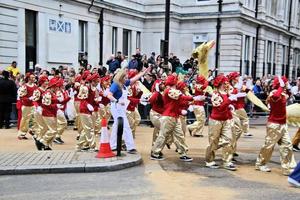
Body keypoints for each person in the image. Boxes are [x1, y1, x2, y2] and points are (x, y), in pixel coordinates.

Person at [255, 76, 297, 175]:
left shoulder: (283, 93)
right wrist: (281, 87)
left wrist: (286, 88)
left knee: (287, 145)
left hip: (283, 123)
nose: (287, 85)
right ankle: (260, 163)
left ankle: (288, 167)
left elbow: (289, 94)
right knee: (269, 145)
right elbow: (274, 98)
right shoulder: (274, 93)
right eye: (285, 83)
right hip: (274, 124)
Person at [150, 75, 195, 161]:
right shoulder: (169, 90)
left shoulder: (172, 91)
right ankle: (155, 153)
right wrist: (193, 97)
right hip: (168, 117)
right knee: (163, 136)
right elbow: (182, 97)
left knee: (179, 135)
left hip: (174, 116)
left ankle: (183, 153)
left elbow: (180, 102)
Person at [107, 67, 151, 154]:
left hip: (121, 108)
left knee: (116, 126)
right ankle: (130, 147)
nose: (127, 79)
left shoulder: (123, 84)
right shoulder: (115, 85)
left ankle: (113, 145)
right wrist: (117, 101)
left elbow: (133, 79)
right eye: (125, 77)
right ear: (121, 77)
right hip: (116, 107)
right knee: (126, 126)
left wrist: (143, 73)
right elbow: (109, 95)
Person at [205, 74, 237, 171]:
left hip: (226, 120)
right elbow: (219, 107)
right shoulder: (215, 94)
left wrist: (231, 105)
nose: (226, 84)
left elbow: (226, 105)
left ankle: (227, 161)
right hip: (215, 120)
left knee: (229, 139)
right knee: (213, 141)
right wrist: (229, 101)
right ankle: (209, 160)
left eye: (226, 82)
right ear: (220, 83)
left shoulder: (227, 93)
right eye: (224, 82)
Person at [76, 73, 100, 152]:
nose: (97, 83)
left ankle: (79, 145)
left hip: (88, 110)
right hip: (84, 110)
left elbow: (92, 100)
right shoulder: (85, 88)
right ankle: (92, 145)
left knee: (86, 129)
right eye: (96, 81)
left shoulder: (93, 88)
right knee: (89, 128)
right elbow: (83, 99)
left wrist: (98, 103)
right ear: (92, 81)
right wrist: (88, 105)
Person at [17, 72, 37, 140]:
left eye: (34, 77)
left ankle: (32, 130)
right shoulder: (25, 86)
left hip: (33, 105)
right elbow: (21, 96)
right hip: (26, 106)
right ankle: (21, 134)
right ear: (29, 78)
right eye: (32, 77)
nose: (34, 78)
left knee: (34, 119)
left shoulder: (35, 86)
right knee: (25, 120)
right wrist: (28, 99)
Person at [126, 70, 143, 138]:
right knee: (131, 122)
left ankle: (131, 133)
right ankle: (130, 135)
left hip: (133, 106)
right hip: (128, 107)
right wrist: (139, 100)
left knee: (137, 119)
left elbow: (136, 97)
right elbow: (129, 98)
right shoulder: (128, 87)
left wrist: (139, 93)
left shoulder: (135, 86)